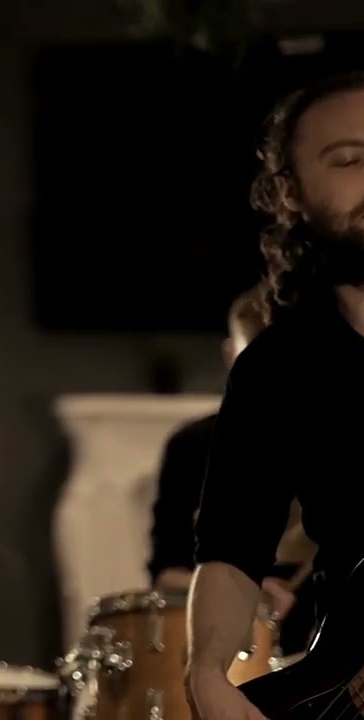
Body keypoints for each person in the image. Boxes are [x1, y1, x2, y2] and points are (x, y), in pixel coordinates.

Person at [187, 70, 364, 719]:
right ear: (292, 192)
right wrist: (208, 672)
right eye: (349, 159)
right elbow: (232, 550)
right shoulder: (279, 367)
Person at [147, 286, 317, 654]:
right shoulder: (192, 446)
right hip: (229, 646)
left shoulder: (341, 444)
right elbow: (166, 575)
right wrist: (242, 590)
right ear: (230, 355)